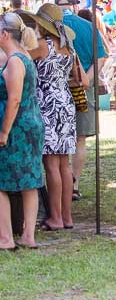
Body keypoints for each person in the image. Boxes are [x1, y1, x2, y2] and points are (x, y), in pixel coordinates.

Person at [28, 4, 83, 231]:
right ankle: (67, 217)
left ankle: (56, 217)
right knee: (63, 163)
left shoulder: (43, 46)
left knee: (50, 164)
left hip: (46, 105)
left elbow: (18, 59)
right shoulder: (68, 48)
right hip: (65, 104)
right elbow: (81, 80)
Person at [57, 0, 108, 201]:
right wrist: (86, 78)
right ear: (75, 6)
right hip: (83, 87)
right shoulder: (88, 26)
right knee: (79, 138)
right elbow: (102, 56)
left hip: (57, 87)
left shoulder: (49, 29)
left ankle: (61, 183)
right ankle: (74, 184)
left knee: (59, 139)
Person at [0, 13, 44, 249]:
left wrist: (4, 132)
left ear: (4, 34)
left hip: (18, 126)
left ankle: (6, 238)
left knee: (1, 181)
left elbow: (14, 99)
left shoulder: (15, 60)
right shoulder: (23, 55)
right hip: (31, 123)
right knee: (29, 180)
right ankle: (28, 236)